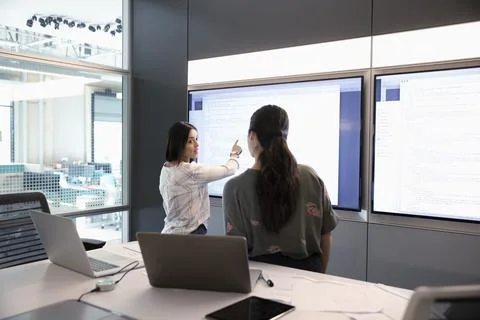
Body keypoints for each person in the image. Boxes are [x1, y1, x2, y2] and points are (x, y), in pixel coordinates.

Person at [223, 105, 338, 273]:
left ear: (252, 136)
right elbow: (326, 235)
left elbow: (235, 252)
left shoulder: (235, 188)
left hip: (260, 284)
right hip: (307, 280)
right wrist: (319, 278)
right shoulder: (311, 176)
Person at [160, 121, 242, 235]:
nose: (197, 144)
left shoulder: (166, 168)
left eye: (196, 139)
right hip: (189, 234)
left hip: (169, 232)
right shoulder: (190, 171)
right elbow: (229, 169)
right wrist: (234, 154)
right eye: (190, 141)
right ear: (179, 144)